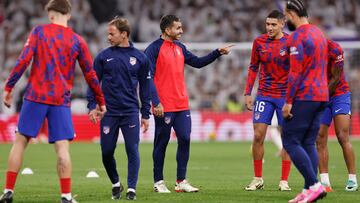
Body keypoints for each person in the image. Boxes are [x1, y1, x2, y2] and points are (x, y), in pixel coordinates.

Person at [0, 0, 106, 203]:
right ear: (69, 15)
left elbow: (23, 60)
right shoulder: (77, 40)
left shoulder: (39, 32)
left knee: (20, 142)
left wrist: (9, 87)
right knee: (62, 148)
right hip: (60, 100)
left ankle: (7, 192)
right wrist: (101, 100)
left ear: (50, 14)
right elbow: (90, 74)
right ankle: (66, 196)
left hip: (35, 96)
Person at [144, 14, 233, 193]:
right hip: (163, 105)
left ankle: (181, 181)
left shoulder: (180, 47)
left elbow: (198, 63)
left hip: (181, 104)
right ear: (167, 30)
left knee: (185, 139)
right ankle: (158, 182)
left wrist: (217, 53)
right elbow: (148, 78)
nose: (181, 31)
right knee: (161, 143)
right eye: (178, 28)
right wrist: (156, 102)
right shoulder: (153, 49)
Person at [86, 17, 151, 201]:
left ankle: (131, 189)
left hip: (130, 112)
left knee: (132, 149)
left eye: (111, 33)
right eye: (108, 33)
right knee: (106, 152)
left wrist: (145, 114)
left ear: (124, 34)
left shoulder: (140, 58)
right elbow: (93, 83)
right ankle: (116, 183)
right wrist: (92, 106)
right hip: (109, 112)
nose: (108, 37)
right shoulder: (103, 56)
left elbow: (146, 89)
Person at [282, 0, 328, 202]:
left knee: (290, 141)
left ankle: (314, 184)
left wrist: (289, 101)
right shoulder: (319, 33)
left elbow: (295, 72)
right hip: (322, 95)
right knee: (308, 142)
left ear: (292, 13)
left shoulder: (297, 37)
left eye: (286, 16)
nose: (285, 20)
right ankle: (309, 189)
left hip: (304, 95)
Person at [244, 10, 292, 192]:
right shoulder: (259, 42)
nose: (270, 28)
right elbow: (253, 67)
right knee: (258, 135)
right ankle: (257, 179)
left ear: (282, 24)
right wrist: (248, 92)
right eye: (267, 24)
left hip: (284, 96)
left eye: (273, 24)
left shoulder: (289, 42)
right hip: (264, 94)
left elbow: (296, 70)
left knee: (287, 138)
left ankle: (284, 181)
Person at [316, 39, 358, 192]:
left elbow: (335, 78)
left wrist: (321, 96)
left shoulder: (334, 49)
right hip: (320, 95)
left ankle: (352, 178)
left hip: (339, 94)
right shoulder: (306, 50)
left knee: (342, 135)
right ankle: (325, 182)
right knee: (319, 136)